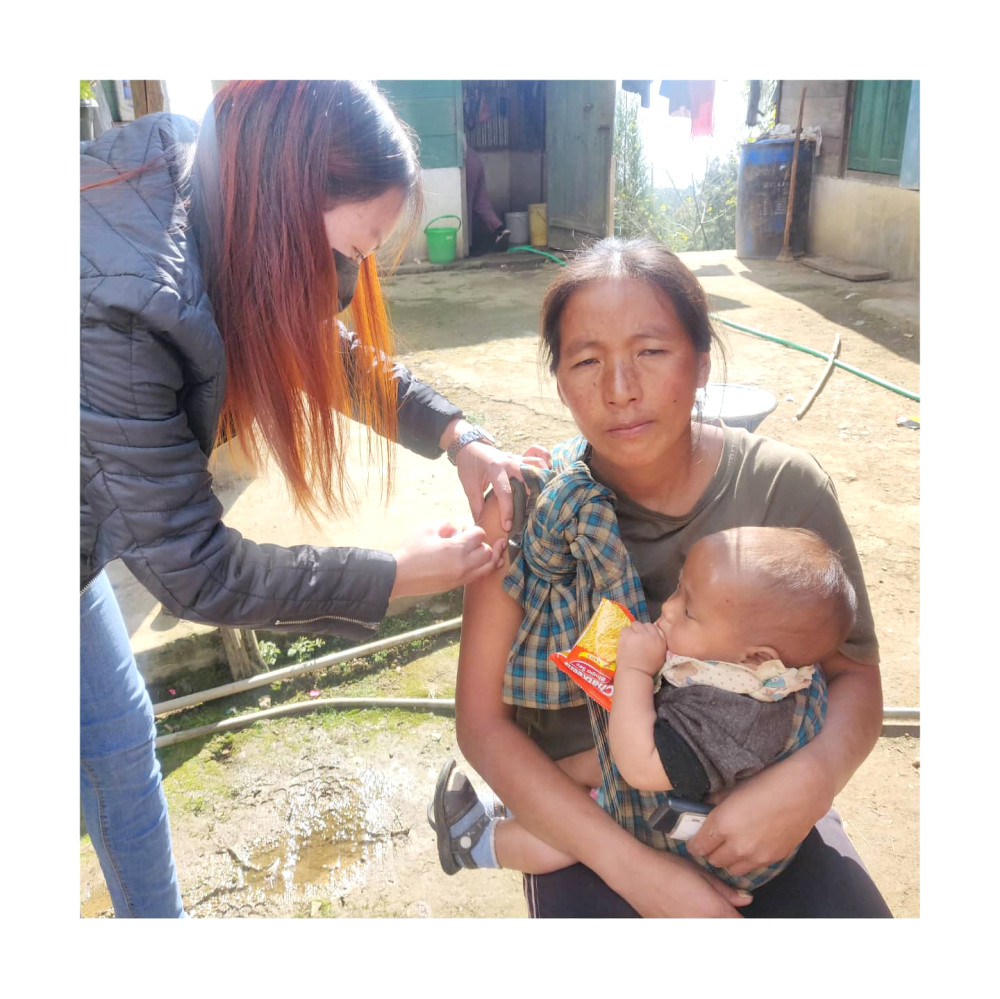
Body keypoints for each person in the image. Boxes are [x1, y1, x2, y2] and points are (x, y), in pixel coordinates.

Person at [80, 80, 545, 918]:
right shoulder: (121, 310)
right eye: (349, 253)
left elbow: (321, 345)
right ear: (285, 207)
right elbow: (199, 573)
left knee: (116, 746)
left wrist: (458, 435)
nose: (348, 281)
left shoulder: (222, 191)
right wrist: (397, 573)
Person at [439, 236, 893, 917]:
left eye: (651, 353)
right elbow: (482, 724)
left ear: (702, 361)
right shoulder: (530, 510)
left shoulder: (781, 489)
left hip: (761, 805)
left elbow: (855, 674)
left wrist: (811, 778)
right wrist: (636, 873)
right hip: (583, 821)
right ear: (561, 381)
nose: (620, 390)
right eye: (587, 361)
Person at [429, 525, 856, 891]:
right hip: (688, 767)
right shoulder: (771, 673)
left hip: (702, 842)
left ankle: (479, 843)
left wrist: (633, 670)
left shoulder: (736, 718)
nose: (667, 609)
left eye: (687, 610)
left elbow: (638, 763)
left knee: (576, 830)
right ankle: (515, 801)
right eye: (678, 590)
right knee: (587, 767)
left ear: (756, 658)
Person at [463, 136, 510, 251]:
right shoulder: (459, 133)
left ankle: (468, 243)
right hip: (474, 158)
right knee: (481, 202)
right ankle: (500, 228)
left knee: (466, 204)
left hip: (465, 162)